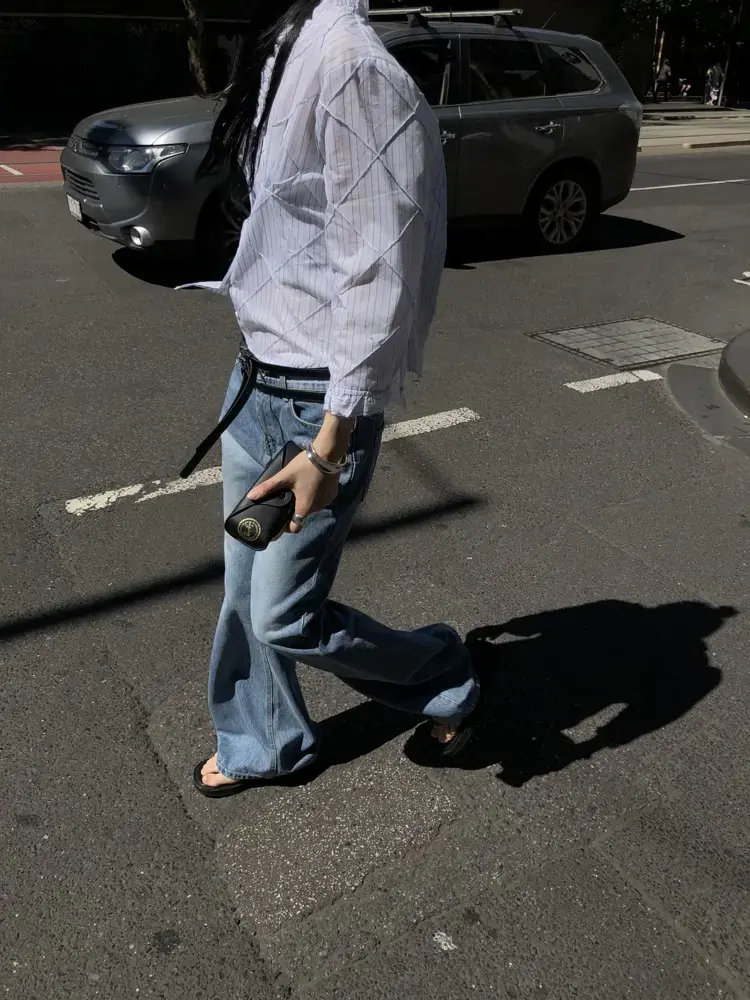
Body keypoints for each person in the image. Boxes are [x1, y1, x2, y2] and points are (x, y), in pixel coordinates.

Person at [190, 0, 481, 797]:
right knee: (243, 590)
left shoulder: (354, 68)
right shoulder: (284, 44)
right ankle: (267, 742)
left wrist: (329, 446)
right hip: (257, 379)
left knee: (282, 613)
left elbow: (380, 269)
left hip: (317, 403)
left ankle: (445, 674)